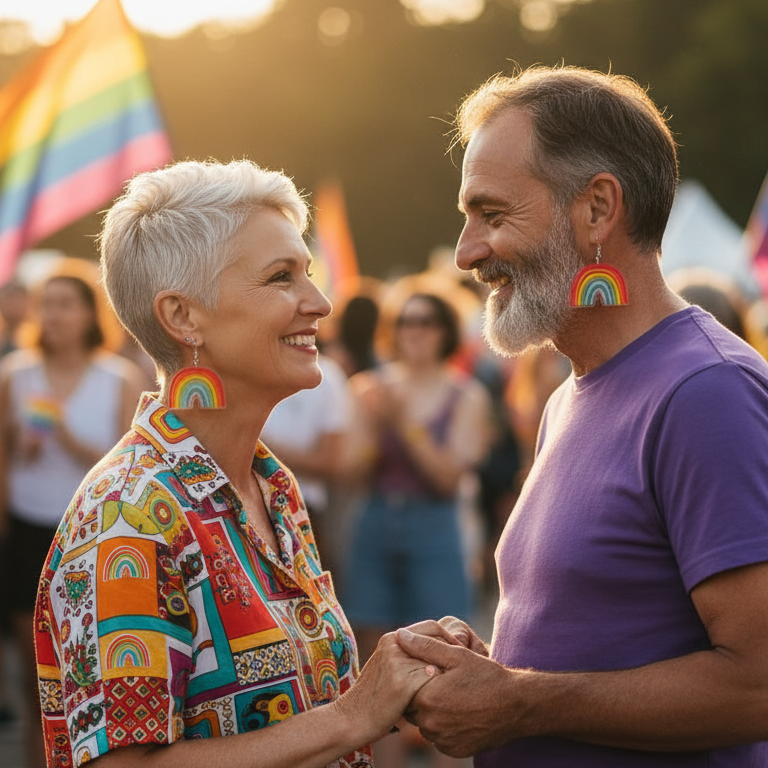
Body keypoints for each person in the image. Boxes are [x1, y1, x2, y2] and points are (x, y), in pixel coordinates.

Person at [395, 66, 768, 767]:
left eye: (493, 214)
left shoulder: (707, 392)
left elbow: (759, 685)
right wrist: (490, 668)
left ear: (597, 209)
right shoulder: (572, 392)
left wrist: (520, 700)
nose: (466, 252)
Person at [33, 160, 438, 768]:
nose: (320, 302)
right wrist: (354, 716)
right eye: (281, 277)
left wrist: (399, 673)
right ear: (183, 317)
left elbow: (293, 713)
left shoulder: (271, 485)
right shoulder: (130, 516)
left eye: (308, 273)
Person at [0, 265, 145, 767]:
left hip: (92, 535)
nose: (53, 314)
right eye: (47, 304)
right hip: (27, 527)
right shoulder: (15, 374)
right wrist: (25, 445)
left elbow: (131, 463)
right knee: (32, 669)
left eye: (65, 303)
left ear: (89, 313)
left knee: (86, 668)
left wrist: (65, 437)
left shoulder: (118, 378)